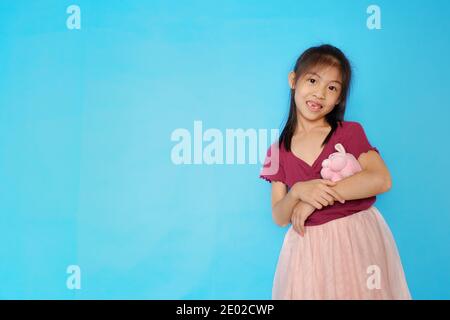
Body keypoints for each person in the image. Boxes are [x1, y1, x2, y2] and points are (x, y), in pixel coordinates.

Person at [260, 44, 411, 299]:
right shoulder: (278, 151)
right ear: (293, 80)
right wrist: (298, 191)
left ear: (339, 98)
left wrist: (316, 202)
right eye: (312, 81)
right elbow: (279, 216)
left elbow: (381, 179)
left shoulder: (348, 132)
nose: (319, 93)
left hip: (357, 240)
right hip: (310, 250)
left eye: (332, 88)